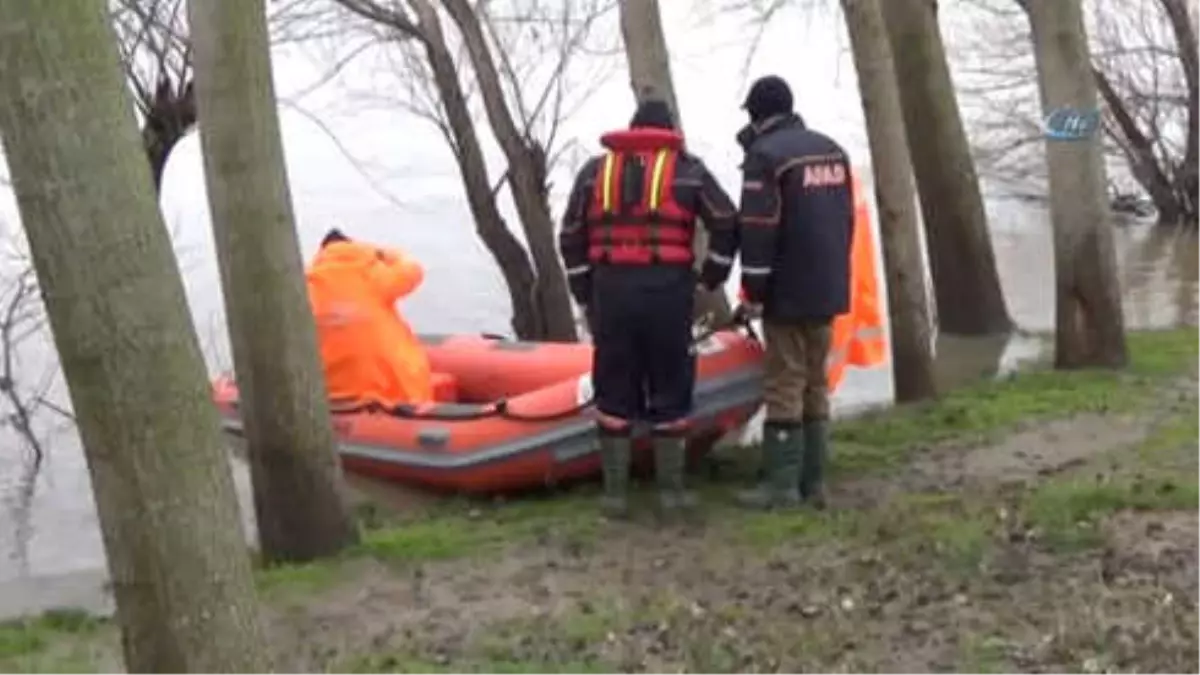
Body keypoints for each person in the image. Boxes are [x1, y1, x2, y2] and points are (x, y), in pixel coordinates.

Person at [558, 98, 739, 518]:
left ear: (632, 128)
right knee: (672, 385)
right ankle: (671, 494)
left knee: (613, 386)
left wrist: (585, 291)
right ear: (669, 130)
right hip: (668, 292)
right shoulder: (688, 171)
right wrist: (711, 277)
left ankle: (615, 496)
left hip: (611, 292)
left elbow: (570, 235)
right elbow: (727, 220)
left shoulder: (594, 173)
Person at [733, 75, 855, 510]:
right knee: (815, 380)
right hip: (828, 285)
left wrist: (754, 293)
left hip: (787, 290)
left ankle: (782, 487)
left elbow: (758, 231)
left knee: (784, 381)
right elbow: (846, 222)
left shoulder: (765, 157)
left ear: (756, 114)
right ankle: (814, 482)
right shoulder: (832, 150)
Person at [305, 228, 434, 410]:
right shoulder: (374, 274)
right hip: (390, 392)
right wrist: (382, 253)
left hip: (332, 391)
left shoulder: (308, 283)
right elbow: (414, 270)